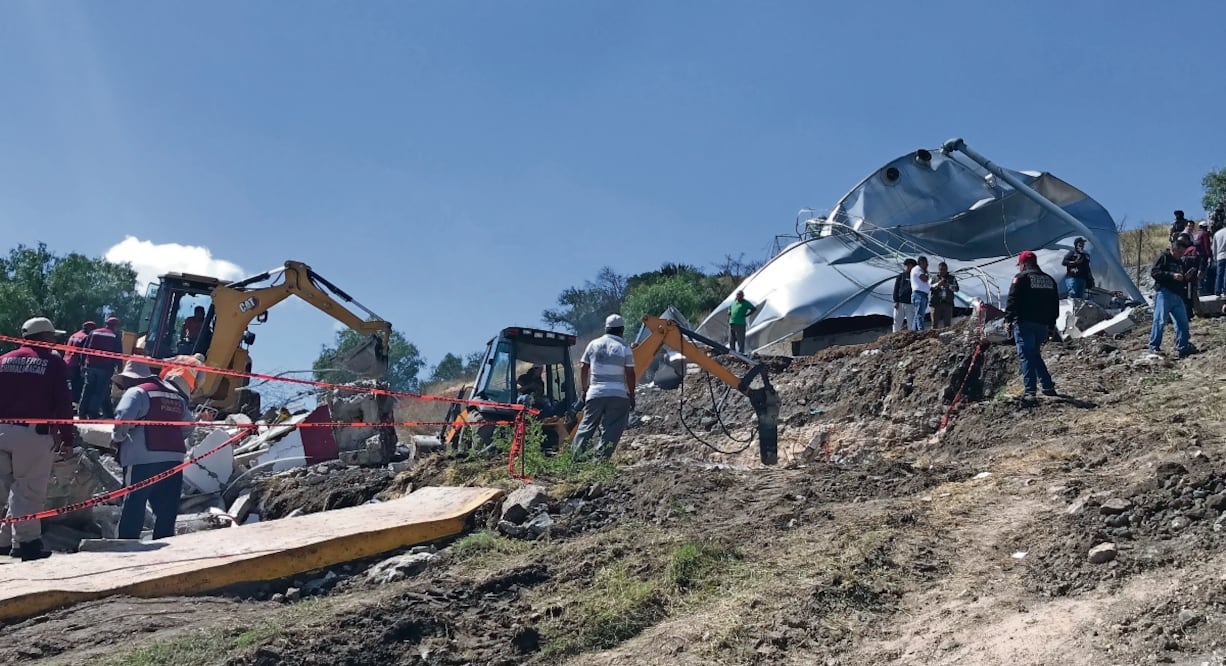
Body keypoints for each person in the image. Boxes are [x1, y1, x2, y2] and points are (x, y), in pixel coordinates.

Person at [0, 317, 74, 561]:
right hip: (32, 434)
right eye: (53, 337)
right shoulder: (53, 363)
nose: (55, 341)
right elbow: (63, 402)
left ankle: (4, 541)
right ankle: (27, 544)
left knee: (5, 488)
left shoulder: (4, 360)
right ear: (44, 337)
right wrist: (67, 437)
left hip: (2, 431)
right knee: (28, 490)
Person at [110, 363, 193, 540]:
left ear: (131, 379)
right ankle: (164, 547)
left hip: (142, 458)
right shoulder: (176, 396)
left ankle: (125, 546)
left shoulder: (136, 392)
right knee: (166, 510)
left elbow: (122, 420)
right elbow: (188, 426)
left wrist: (118, 439)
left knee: (134, 505)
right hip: (174, 459)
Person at [570, 314, 635, 460]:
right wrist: (631, 395)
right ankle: (600, 460)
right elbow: (630, 373)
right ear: (622, 330)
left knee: (586, 426)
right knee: (613, 428)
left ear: (606, 329)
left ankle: (574, 460)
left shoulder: (593, 344)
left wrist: (585, 389)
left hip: (595, 393)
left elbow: (584, 367)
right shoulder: (624, 347)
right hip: (618, 395)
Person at [1004, 251, 1059, 401]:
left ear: (1024, 264)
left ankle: (1030, 391)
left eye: (1020, 265)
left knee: (1026, 356)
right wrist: (1052, 324)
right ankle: (1048, 386)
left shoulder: (1021, 278)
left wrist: (1008, 319)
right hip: (1042, 325)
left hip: (1025, 323)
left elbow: (1012, 300)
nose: (1019, 268)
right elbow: (1055, 304)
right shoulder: (1049, 280)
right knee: (1034, 354)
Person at [1150, 234, 1196, 358]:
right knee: (1160, 321)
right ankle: (1154, 347)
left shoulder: (1180, 262)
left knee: (1183, 322)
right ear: (1173, 249)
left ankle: (1182, 347)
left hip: (1177, 294)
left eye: (1183, 252)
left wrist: (1185, 278)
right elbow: (1154, 272)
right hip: (1164, 293)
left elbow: (1181, 279)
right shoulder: (1164, 258)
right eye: (1179, 252)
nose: (1181, 254)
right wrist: (1172, 275)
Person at [77, 316, 123, 419]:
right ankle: (93, 413)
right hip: (105, 368)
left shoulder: (93, 332)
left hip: (90, 366)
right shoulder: (115, 336)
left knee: (87, 389)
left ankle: (81, 412)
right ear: (115, 326)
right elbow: (118, 354)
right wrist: (120, 368)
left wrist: (82, 364)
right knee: (99, 391)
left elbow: (85, 349)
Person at [64, 320, 97, 405]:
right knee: (77, 385)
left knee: (68, 384)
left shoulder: (74, 335)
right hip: (76, 364)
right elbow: (83, 353)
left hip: (67, 361)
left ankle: (68, 401)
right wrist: (84, 366)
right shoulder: (85, 337)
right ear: (89, 328)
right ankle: (74, 403)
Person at [930, 262, 960, 328]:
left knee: (947, 324)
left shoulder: (952, 278)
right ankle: (933, 337)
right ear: (938, 270)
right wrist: (938, 284)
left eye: (944, 269)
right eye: (941, 269)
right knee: (934, 324)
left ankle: (946, 337)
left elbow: (956, 289)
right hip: (936, 303)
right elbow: (929, 287)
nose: (943, 271)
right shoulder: (934, 278)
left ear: (947, 270)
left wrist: (948, 285)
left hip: (947, 303)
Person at [892, 258, 917, 333]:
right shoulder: (901, 276)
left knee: (911, 322)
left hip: (911, 303)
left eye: (909, 265)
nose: (907, 267)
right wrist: (895, 301)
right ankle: (895, 335)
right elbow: (896, 289)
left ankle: (912, 336)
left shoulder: (917, 276)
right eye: (906, 265)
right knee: (897, 321)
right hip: (900, 303)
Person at [910, 256, 931, 331]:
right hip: (919, 294)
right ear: (921, 263)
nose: (927, 265)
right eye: (925, 263)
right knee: (919, 314)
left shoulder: (920, 270)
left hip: (923, 295)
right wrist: (926, 274)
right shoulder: (917, 269)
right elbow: (924, 278)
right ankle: (921, 331)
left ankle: (914, 331)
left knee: (918, 315)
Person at [1195, 221, 1215, 294]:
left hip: (1197, 256)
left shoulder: (1196, 234)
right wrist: (1210, 255)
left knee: (1199, 274)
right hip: (1204, 256)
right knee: (1204, 274)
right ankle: (1204, 291)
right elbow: (1207, 246)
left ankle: (1199, 290)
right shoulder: (1204, 234)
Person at [1214, 218, 1226, 298]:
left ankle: (1217, 290)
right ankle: (1225, 290)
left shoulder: (1217, 233)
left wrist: (1215, 257)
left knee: (1219, 274)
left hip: (1220, 255)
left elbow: (1214, 247)